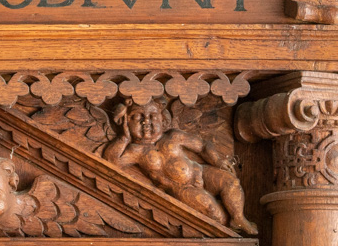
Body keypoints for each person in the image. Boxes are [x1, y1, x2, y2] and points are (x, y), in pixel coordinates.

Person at [103, 98, 257, 234]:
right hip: (181, 188)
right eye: (137, 117)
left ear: (162, 118)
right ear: (126, 122)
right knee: (214, 213)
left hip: (200, 171)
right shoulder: (136, 151)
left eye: (153, 116)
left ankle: (238, 218)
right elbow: (111, 161)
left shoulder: (173, 136)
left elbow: (203, 146)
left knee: (231, 182)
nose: (146, 121)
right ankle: (227, 225)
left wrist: (217, 161)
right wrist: (124, 137)